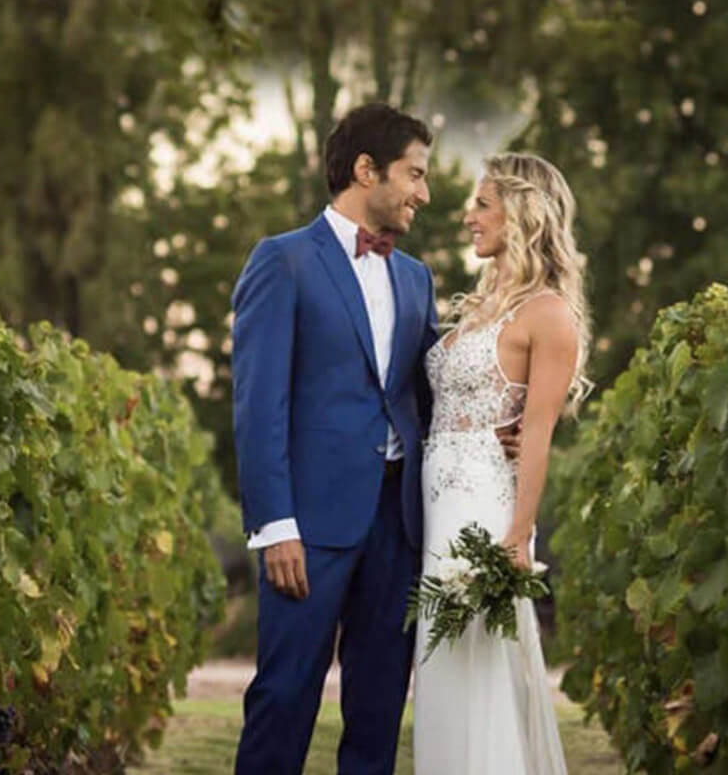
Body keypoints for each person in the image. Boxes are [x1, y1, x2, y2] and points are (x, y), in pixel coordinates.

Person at [230, 103, 437, 775]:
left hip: (398, 524)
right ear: (365, 169)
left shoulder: (416, 276)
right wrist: (273, 524)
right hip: (308, 526)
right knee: (284, 698)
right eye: (414, 174)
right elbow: (258, 404)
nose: (423, 193)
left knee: (377, 711)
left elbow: (426, 392)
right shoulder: (282, 261)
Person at [413, 152, 591, 774]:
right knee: (440, 670)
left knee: (480, 668)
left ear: (523, 212)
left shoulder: (549, 315)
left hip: (485, 512)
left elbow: (537, 432)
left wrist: (518, 538)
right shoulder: (483, 306)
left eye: (481, 204)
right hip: (436, 509)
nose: (467, 217)